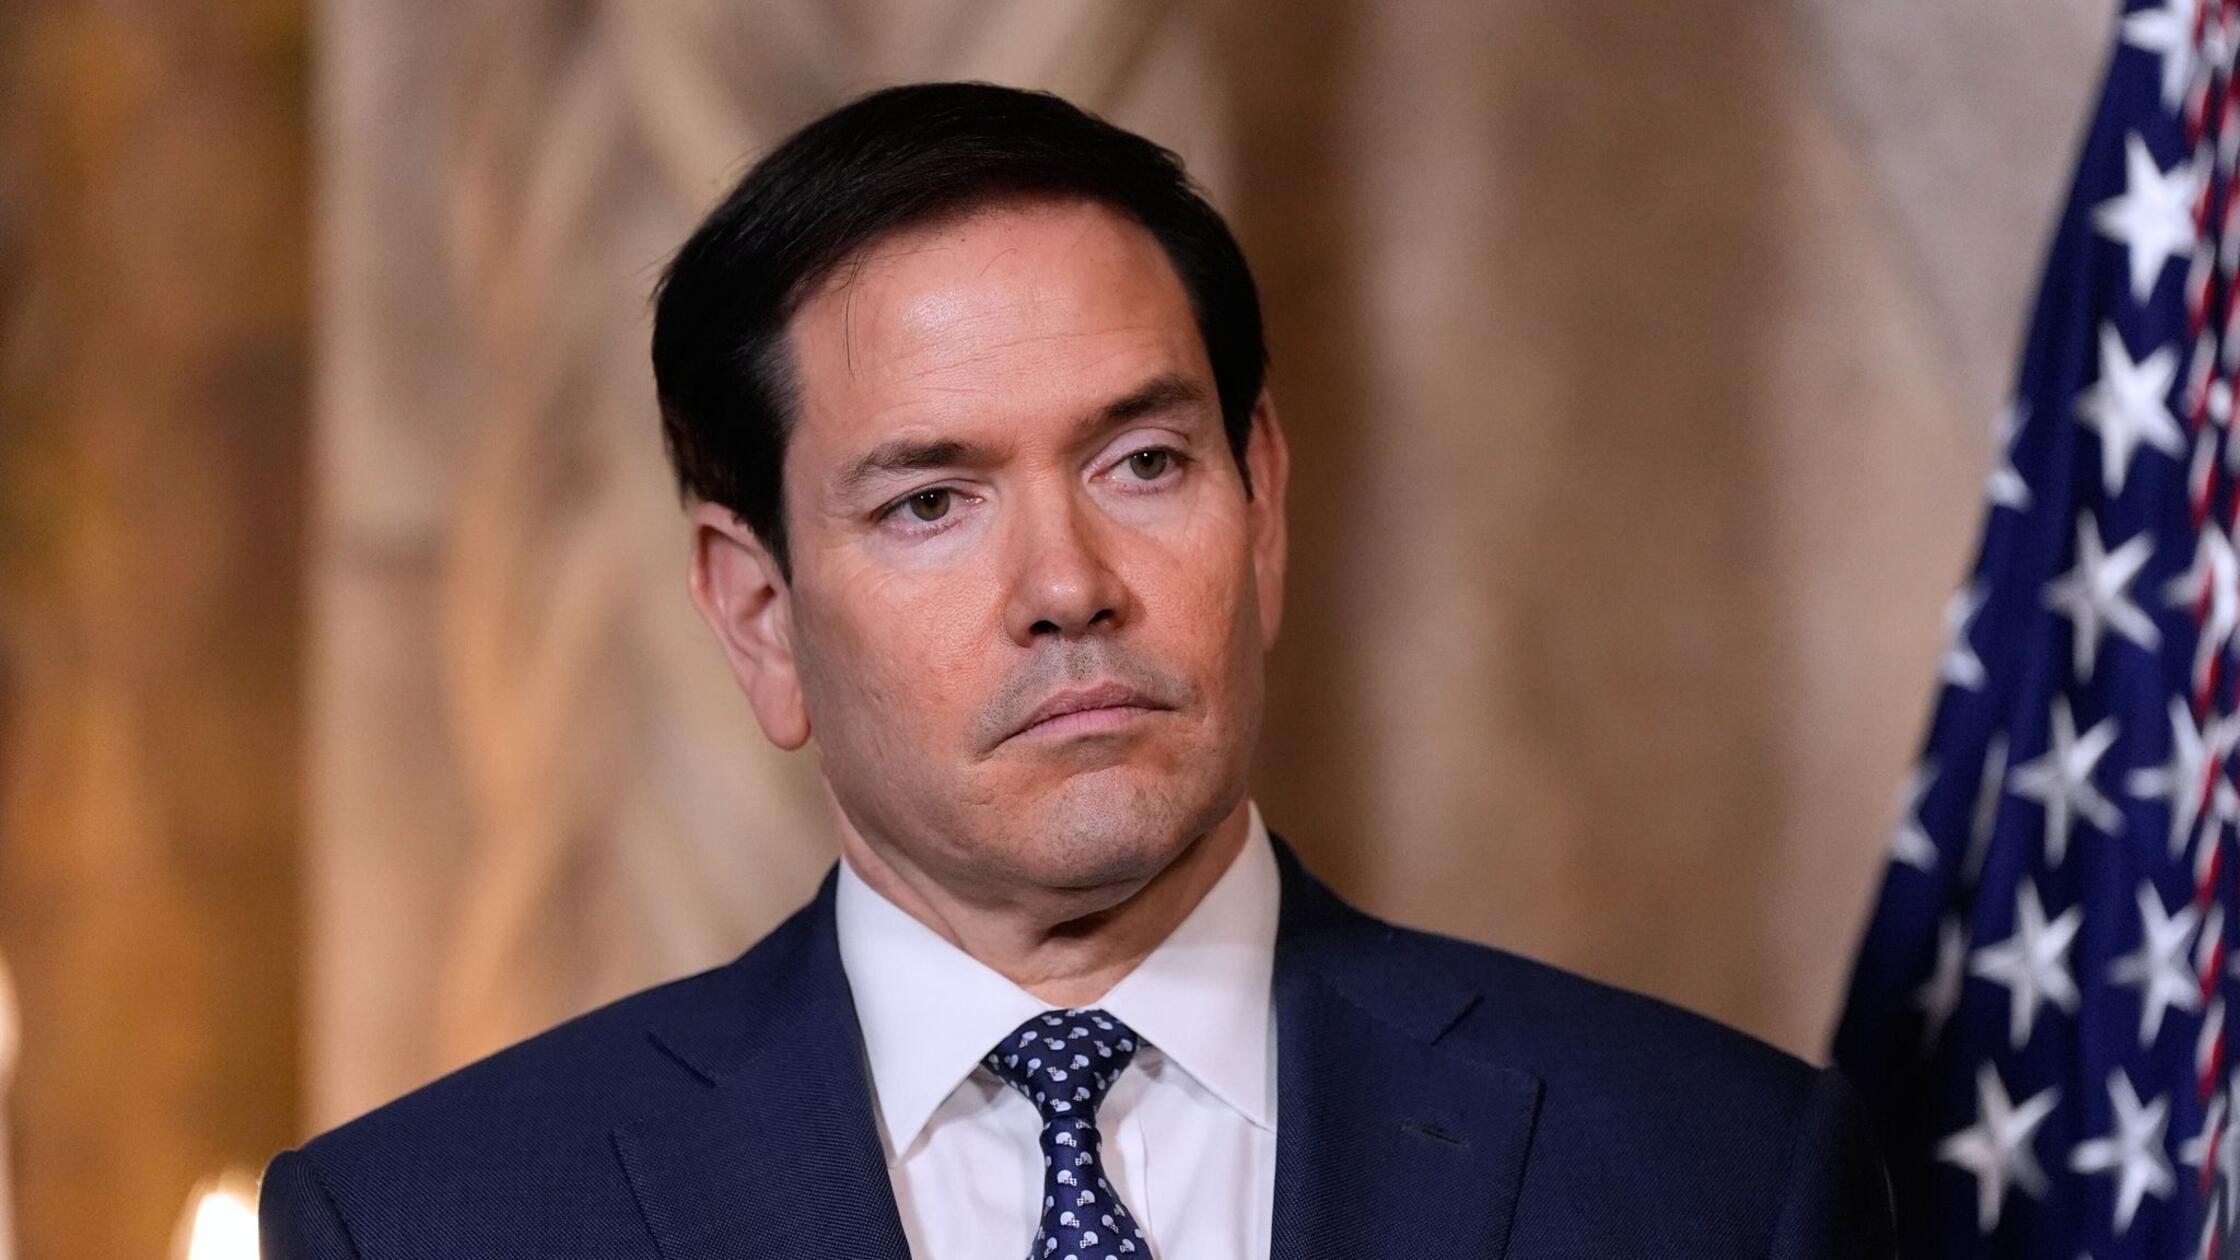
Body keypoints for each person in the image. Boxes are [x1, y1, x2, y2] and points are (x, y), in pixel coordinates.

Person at [258, 81, 1895, 1259]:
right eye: (929, 502)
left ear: (1262, 509)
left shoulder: (1716, 1176)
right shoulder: (427, 1222)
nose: (1067, 588)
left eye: (1143, 463)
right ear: (758, 615)